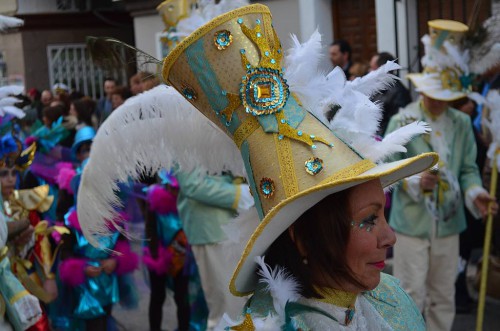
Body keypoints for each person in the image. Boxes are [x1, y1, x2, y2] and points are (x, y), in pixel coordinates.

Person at [386, 19, 499, 331]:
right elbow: (387, 171)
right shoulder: (403, 121)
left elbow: (467, 170)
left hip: (449, 225)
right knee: (410, 295)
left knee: (444, 295)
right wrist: (414, 181)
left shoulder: (461, 125)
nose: (437, 100)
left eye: (444, 94)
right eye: (433, 92)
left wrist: (476, 194)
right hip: (411, 224)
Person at [370, 52, 412, 135]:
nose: (370, 72)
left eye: (372, 69)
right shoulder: (377, 88)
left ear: (381, 69)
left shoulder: (399, 92)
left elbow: (398, 123)